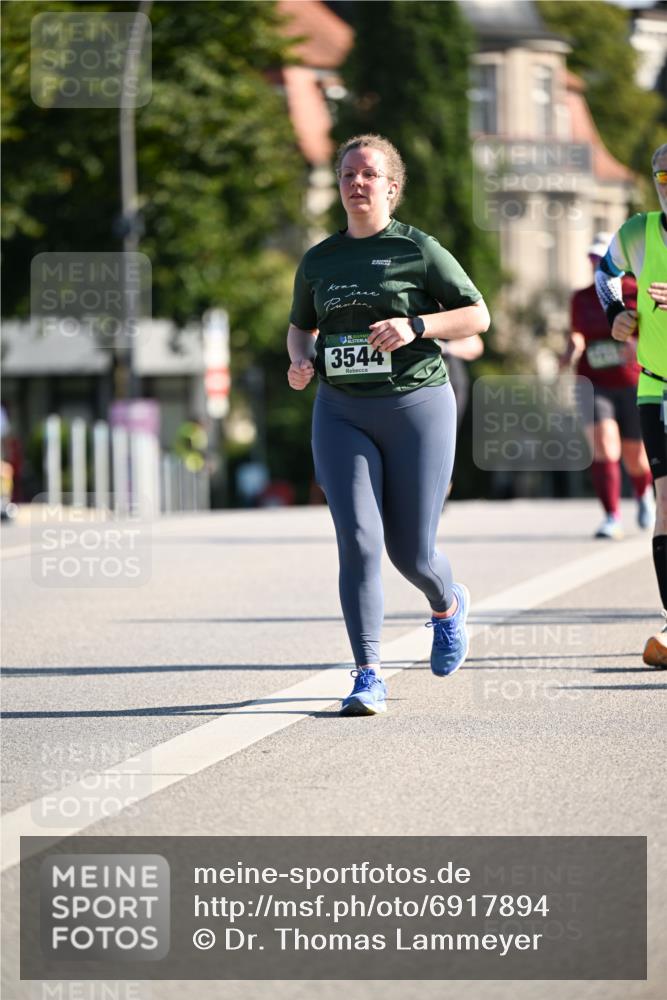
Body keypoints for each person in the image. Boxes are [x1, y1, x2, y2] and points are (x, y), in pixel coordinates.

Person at [286, 134, 490, 715]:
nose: (356, 182)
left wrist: (417, 327)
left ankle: (447, 606)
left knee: (412, 554)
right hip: (341, 410)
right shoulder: (319, 258)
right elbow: (301, 325)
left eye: (368, 174)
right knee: (358, 541)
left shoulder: (419, 250)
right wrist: (300, 360)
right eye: (347, 173)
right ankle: (367, 673)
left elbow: (479, 314)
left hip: (416, 407)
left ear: (391, 188)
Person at [595, 144, 667, 667]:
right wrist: (617, 312)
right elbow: (605, 272)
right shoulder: (640, 230)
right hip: (656, 384)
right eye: (663, 175)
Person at [561, 234, 654, 539]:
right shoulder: (582, 297)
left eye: (601, 259)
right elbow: (576, 333)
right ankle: (611, 517)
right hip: (594, 381)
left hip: (632, 382)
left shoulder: (635, 291)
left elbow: (654, 333)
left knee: (636, 457)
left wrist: (637, 342)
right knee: (604, 448)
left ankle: (643, 495)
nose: (596, 264)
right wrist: (571, 349)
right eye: (592, 259)